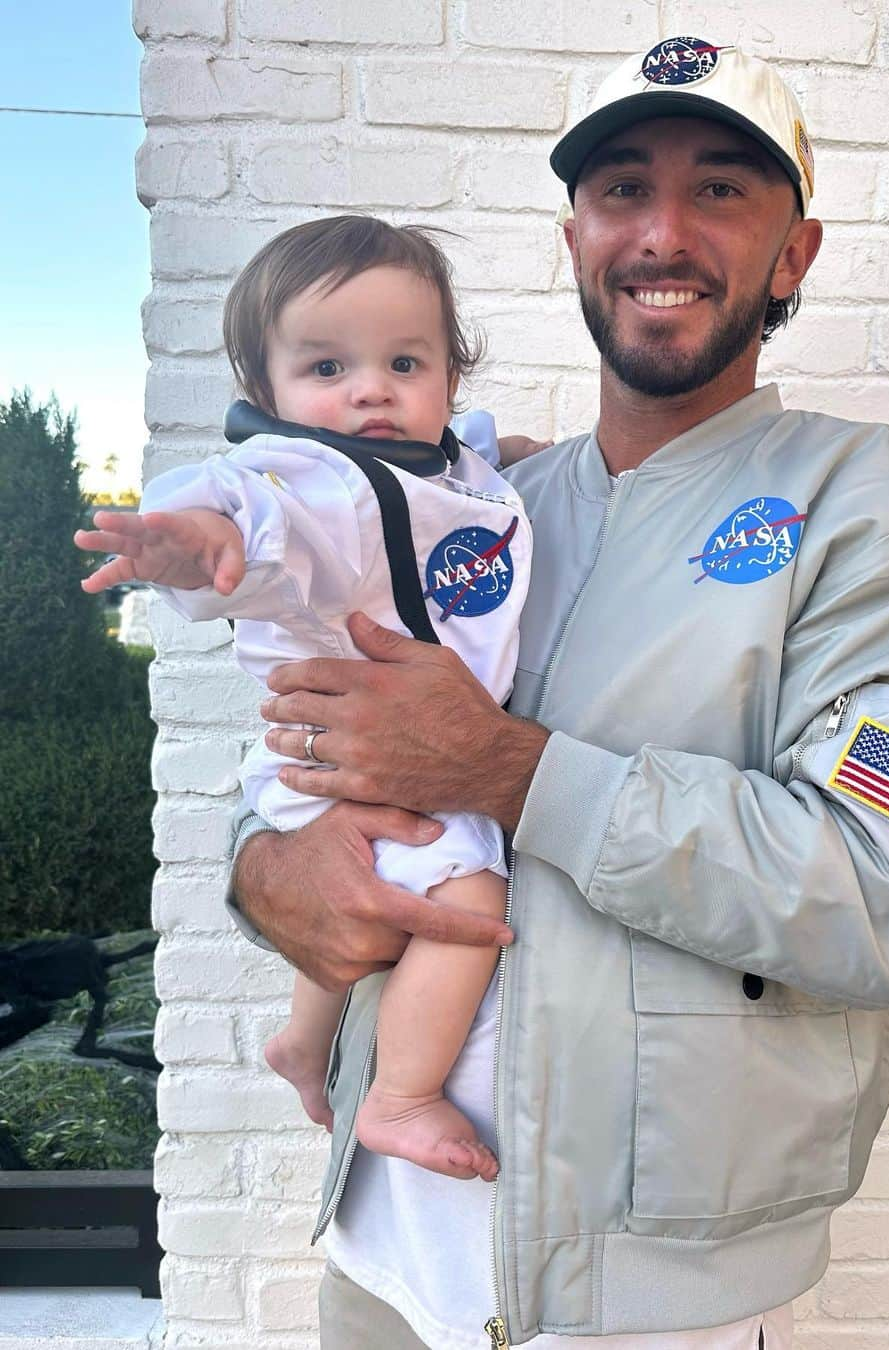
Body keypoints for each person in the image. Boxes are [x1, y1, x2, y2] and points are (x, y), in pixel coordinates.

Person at [226, 39, 889, 1350]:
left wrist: (510, 770)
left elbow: (873, 895)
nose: (663, 230)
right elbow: (309, 723)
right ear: (576, 234)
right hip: (381, 1252)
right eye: (619, 187)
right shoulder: (480, 511)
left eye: (720, 190)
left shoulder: (886, 516)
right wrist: (264, 870)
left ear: (794, 252)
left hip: (637, 1304)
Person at [75, 214, 548, 1183]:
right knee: (472, 895)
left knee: (355, 905)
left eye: (405, 363)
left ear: (448, 380)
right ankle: (402, 1096)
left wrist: (512, 457)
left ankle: (302, 1041)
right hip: (349, 757)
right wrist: (198, 543)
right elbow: (254, 514)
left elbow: (464, 465)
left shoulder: (440, 464)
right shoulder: (309, 483)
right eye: (327, 369)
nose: (372, 389)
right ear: (268, 392)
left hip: (345, 767)